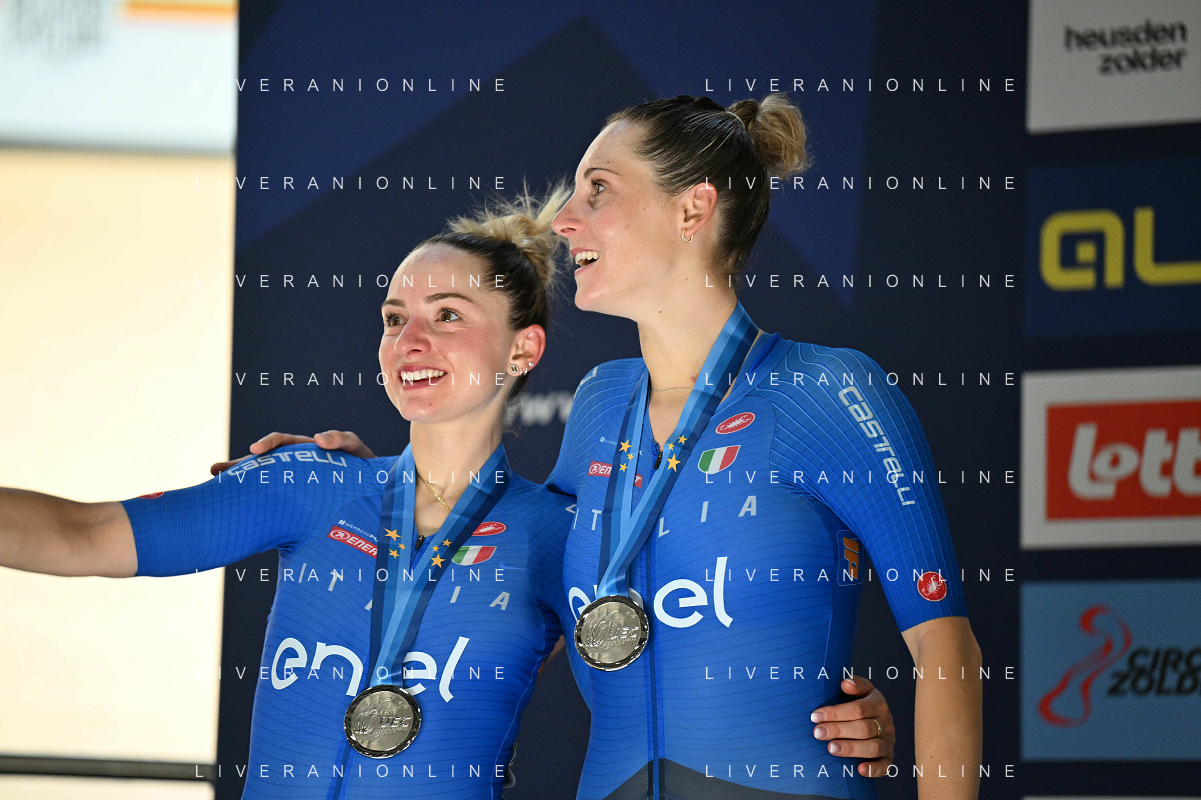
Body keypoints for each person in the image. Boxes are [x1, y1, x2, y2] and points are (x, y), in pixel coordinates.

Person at [245, 95, 945, 800]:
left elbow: (945, 649)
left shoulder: (826, 389)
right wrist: (382, 491)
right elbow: (506, 575)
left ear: (692, 209)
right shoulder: (602, 401)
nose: (562, 220)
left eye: (598, 189)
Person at [0, 189, 578, 799]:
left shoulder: (559, 535)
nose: (409, 341)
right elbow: (84, 535)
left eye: (448, 315)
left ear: (522, 349)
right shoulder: (310, 483)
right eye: (393, 318)